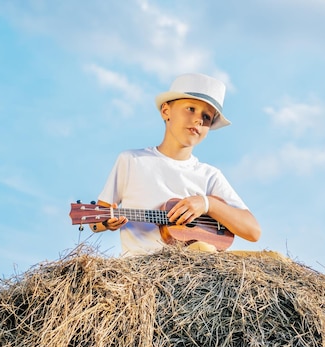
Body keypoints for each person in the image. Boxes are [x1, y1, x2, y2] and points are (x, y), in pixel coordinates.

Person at [91, 73, 261, 255]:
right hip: (142, 271)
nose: (199, 120)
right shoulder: (132, 160)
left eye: (207, 117)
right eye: (190, 109)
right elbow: (95, 219)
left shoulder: (209, 175)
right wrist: (107, 222)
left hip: (196, 273)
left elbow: (253, 231)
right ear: (166, 111)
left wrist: (207, 204)